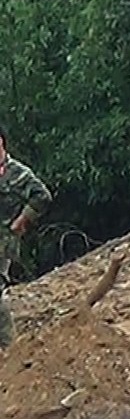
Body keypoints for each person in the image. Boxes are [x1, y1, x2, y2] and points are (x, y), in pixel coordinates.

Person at [0, 125, 52, 346]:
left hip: (5, 239)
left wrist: (23, 219)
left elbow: (43, 196)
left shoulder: (18, 173)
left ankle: (8, 344)